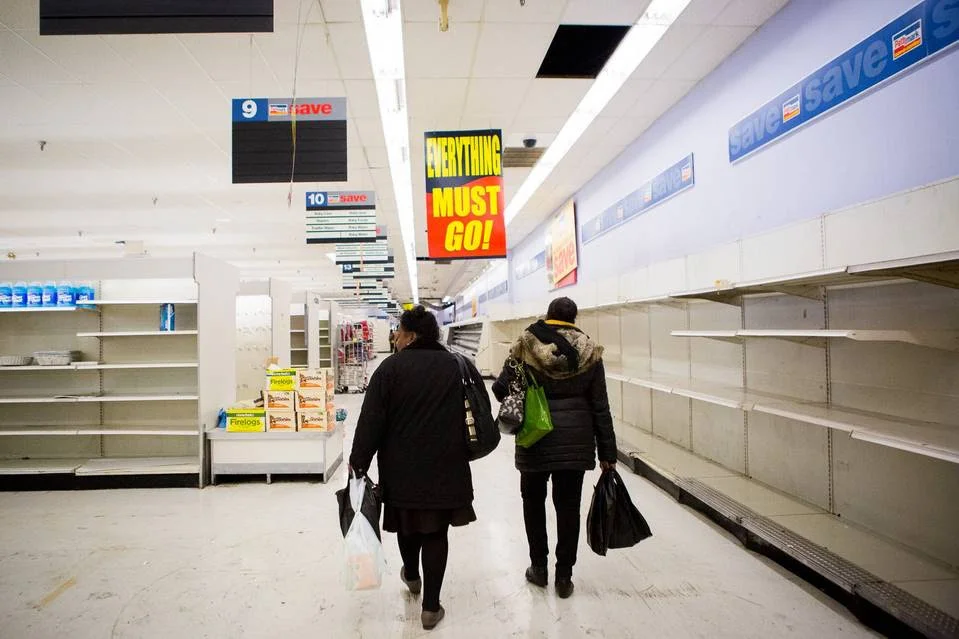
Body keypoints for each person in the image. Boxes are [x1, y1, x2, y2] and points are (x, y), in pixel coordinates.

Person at [350, 305, 487, 630]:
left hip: (401, 466)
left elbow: (371, 420)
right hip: (446, 464)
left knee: (408, 524)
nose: (395, 337)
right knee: (436, 532)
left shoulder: (390, 369)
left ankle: (411, 574)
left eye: (398, 331)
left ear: (411, 335)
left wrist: (359, 463)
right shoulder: (458, 365)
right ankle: (430, 607)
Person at [492, 296, 616, 599]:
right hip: (576, 442)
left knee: (533, 504)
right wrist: (608, 454)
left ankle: (539, 568)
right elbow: (601, 406)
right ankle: (564, 576)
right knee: (568, 507)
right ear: (574, 319)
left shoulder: (525, 345)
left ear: (548, 316)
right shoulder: (590, 351)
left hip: (536, 439)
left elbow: (499, 389)